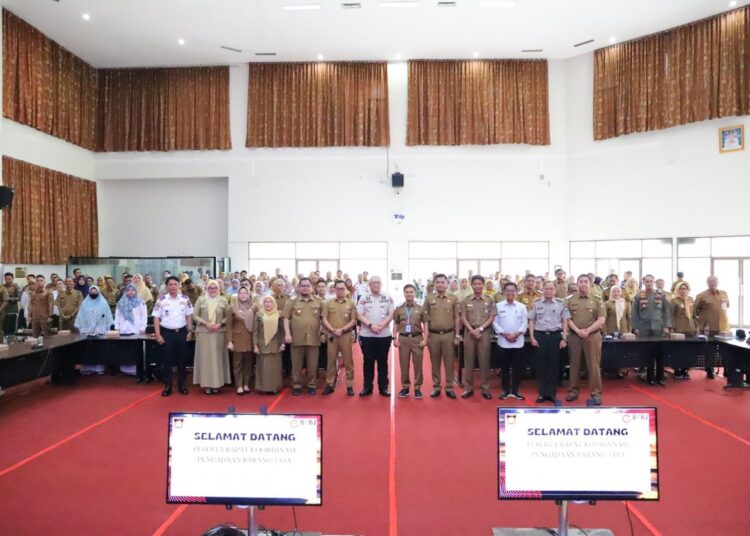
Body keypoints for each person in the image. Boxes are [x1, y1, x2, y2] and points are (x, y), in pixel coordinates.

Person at [565, 275, 606, 405]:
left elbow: (601, 319)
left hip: (592, 336)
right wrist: (577, 331)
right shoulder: (570, 300)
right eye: (580, 282)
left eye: (585, 282)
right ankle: (573, 391)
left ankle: (596, 393)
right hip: (574, 336)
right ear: (577, 284)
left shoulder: (597, 299)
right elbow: (567, 319)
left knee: (593, 366)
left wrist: (587, 331)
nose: (583, 284)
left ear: (590, 284)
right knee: (574, 365)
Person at [528, 281, 570, 404]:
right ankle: (542, 393)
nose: (548, 291)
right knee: (541, 366)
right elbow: (531, 321)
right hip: (540, 336)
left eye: (551, 289)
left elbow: (565, 322)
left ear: (555, 291)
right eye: (546, 288)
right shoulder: (536, 303)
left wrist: (564, 338)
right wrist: (532, 337)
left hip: (555, 336)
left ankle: (551, 393)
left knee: (553, 365)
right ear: (543, 290)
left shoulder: (560, 304)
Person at [153, 276, 194, 396]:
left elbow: (189, 316)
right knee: (167, 361)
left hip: (181, 332)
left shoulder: (185, 299)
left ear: (179, 285)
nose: (173, 287)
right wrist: (158, 334)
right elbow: (156, 318)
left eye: (175, 284)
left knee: (182, 360)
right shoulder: (161, 300)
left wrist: (190, 331)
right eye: (170, 284)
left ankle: (182, 384)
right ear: (167, 286)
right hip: (167, 333)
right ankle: (167, 385)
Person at [283, 278, 324, 396]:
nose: (305, 288)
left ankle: (311, 384)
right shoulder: (292, 302)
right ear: (299, 287)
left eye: (307, 286)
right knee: (296, 364)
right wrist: (287, 334)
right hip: (296, 338)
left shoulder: (319, 302)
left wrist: (323, 333)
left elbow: (324, 319)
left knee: (313, 365)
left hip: (313, 338)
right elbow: (286, 318)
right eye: (303, 286)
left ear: (311, 287)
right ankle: (297, 385)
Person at [423, 274, 461, 399]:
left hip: (449, 335)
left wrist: (457, 335)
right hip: (433, 335)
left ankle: (449, 387)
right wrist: (426, 335)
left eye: (442, 282)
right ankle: (436, 387)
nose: (440, 284)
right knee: (435, 362)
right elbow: (426, 319)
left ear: (446, 284)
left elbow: (457, 318)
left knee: (449, 363)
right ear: (434, 284)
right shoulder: (429, 299)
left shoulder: (453, 298)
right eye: (438, 282)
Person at [356, 276, 395, 397]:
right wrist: (370, 325)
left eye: (378, 283)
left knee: (383, 362)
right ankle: (367, 387)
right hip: (367, 335)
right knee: (368, 362)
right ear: (369, 285)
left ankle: (383, 387)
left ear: (381, 284)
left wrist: (382, 325)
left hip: (384, 336)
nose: (376, 285)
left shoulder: (387, 297)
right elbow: (359, 314)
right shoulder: (364, 297)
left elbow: (391, 314)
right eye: (373, 283)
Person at [459, 275, 496, 399]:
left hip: (484, 332)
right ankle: (468, 388)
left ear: (483, 285)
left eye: (480, 283)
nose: (477, 286)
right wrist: (472, 330)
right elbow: (463, 317)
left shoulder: (489, 299)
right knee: (468, 361)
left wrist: (480, 329)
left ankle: (485, 389)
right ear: (471, 285)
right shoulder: (466, 300)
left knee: (484, 361)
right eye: (475, 284)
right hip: (469, 333)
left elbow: (492, 317)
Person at [632, 274, 672, 385]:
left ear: (653, 282)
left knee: (660, 353)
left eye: (651, 281)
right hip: (644, 328)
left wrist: (666, 326)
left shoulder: (660, 295)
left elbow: (666, 311)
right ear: (643, 282)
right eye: (647, 281)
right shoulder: (639, 295)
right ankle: (649, 378)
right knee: (648, 354)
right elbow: (634, 313)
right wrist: (636, 327)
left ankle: (660, 378)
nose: (649, 283)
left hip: (658, 328)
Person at [192, 280, 231, 394]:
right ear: (207, 289)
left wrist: (220, 324)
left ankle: (217, 385)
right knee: (206, 360)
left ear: (218, 289)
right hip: (204, 333)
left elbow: (228, 316)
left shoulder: (223, 300)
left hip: (219, 333)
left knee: (217, 359)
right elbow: (194, 315)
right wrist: (205, 323)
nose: (213, 290)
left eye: (215, 288)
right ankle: (206, 385)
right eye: (210, 288)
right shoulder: (201, 299)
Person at [321, 280, 358, 396]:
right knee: (331, 361)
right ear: (335, 289)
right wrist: (332, 330)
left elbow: (353, 320)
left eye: (342, 289)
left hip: (345, 335)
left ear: (345, 290)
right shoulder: (328, 303)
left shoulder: (351, 304)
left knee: (348, 361)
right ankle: (330, 384)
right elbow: (324, 319)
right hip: (332, 335)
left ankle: (349, 385)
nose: (340, 291)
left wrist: (342, 330)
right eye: (338, 288)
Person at [493, 282, 528, 400]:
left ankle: (515, 390)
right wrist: (505, 334)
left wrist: (516, 334)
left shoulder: (522, 307)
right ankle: (505, 390)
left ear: (516, 292)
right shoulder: (498, 306)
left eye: (513, 290)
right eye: (508, 290)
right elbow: (495, 323)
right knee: (504, 368)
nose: (510, 293)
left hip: (518, 342)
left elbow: (525, 323)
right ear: (503, 292)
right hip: (503, 341)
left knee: (518, 368)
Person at [393, 284, 429, 399]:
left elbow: (426, 324)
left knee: (418, 365)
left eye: (411, 292)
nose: (409, 294)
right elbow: (395, 323)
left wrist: (425, 339)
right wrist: (394, 337)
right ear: (404, 293)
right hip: (403, 339)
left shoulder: (421, 308)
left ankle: (417, 388)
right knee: (404, 365)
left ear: (415, 293)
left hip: (417, 338)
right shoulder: (399, 308)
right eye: (407, 292)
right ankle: (405, 387)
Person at [694, 275, 730, 379]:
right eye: (710, 281)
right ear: (707, 283)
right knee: (709, 351)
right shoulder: (701, 295)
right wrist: (701, 324)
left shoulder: (724, 293)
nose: (712, 283)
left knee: (725, 350)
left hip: (723, 327)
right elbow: (695, 311)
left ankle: (726, 370)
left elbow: (726, 306)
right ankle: (709, 370)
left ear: (717, 282)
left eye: (714, 281)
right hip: (709, 328)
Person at [75, 285, 114, 375]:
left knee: (99, 349)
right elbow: (81, 316)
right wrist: (86, 327)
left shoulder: (103, 302)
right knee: (87, 350)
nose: (93, 293)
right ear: (89, 292)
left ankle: (99, 368)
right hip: (87, 331)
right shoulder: (84, 303)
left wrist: (101, 328)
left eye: (95, 291)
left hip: (100, 330)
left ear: (98, 292)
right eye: (91, 291)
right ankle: (87, 368)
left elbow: (107, 316)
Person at [114, 283, 148, 377]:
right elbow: (117, 315)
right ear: (126, 291)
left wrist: (142, 327)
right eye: (128, 290)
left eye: (132, 290)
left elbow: (144, 316)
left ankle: (136, 370)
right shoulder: (121, 302)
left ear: (136, 291)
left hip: (136, 329)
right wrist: (117, 327)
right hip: (123, 329)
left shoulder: (141, 302)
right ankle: (125, 370)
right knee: (125, 350)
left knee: (135, 350)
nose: (130, 292)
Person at [227, 286, 255, 395]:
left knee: (248, 363)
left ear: (249, 294)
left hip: (250, 338)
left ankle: (246, 384)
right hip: (237, 338)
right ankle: (239, 385)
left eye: (245, 293)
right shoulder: (232, 307)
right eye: (241, 293)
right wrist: (229, 341)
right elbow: (229, 326)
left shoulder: (253, 307)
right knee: (237, 363)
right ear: (238, 295)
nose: (243, 295)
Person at [254, 295, 285, 394]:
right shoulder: (259, 314)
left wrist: (283, 343)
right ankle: (263, 388)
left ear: (274, 303)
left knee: (275, 368)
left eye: (270, 302)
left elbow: (282, 331)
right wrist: (255, 345)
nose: (268, 304)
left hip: (276, 345)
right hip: (262, 344)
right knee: (263, 368)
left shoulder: (279, 314)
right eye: (266, 302)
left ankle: (274, 388)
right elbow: (255, 331)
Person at [671, 282, 696, 379]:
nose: (683, 291)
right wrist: (671, 328)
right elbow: (671, 315)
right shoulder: (674, 301)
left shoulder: (691, 300)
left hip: (691, 329)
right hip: (679, 329)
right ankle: (677, 370)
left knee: (689, 351)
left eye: (685, 288)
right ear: (677, 290)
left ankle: (685, 370)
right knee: (678, 351)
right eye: (681, 288)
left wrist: (697, 326)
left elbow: (694, 314)